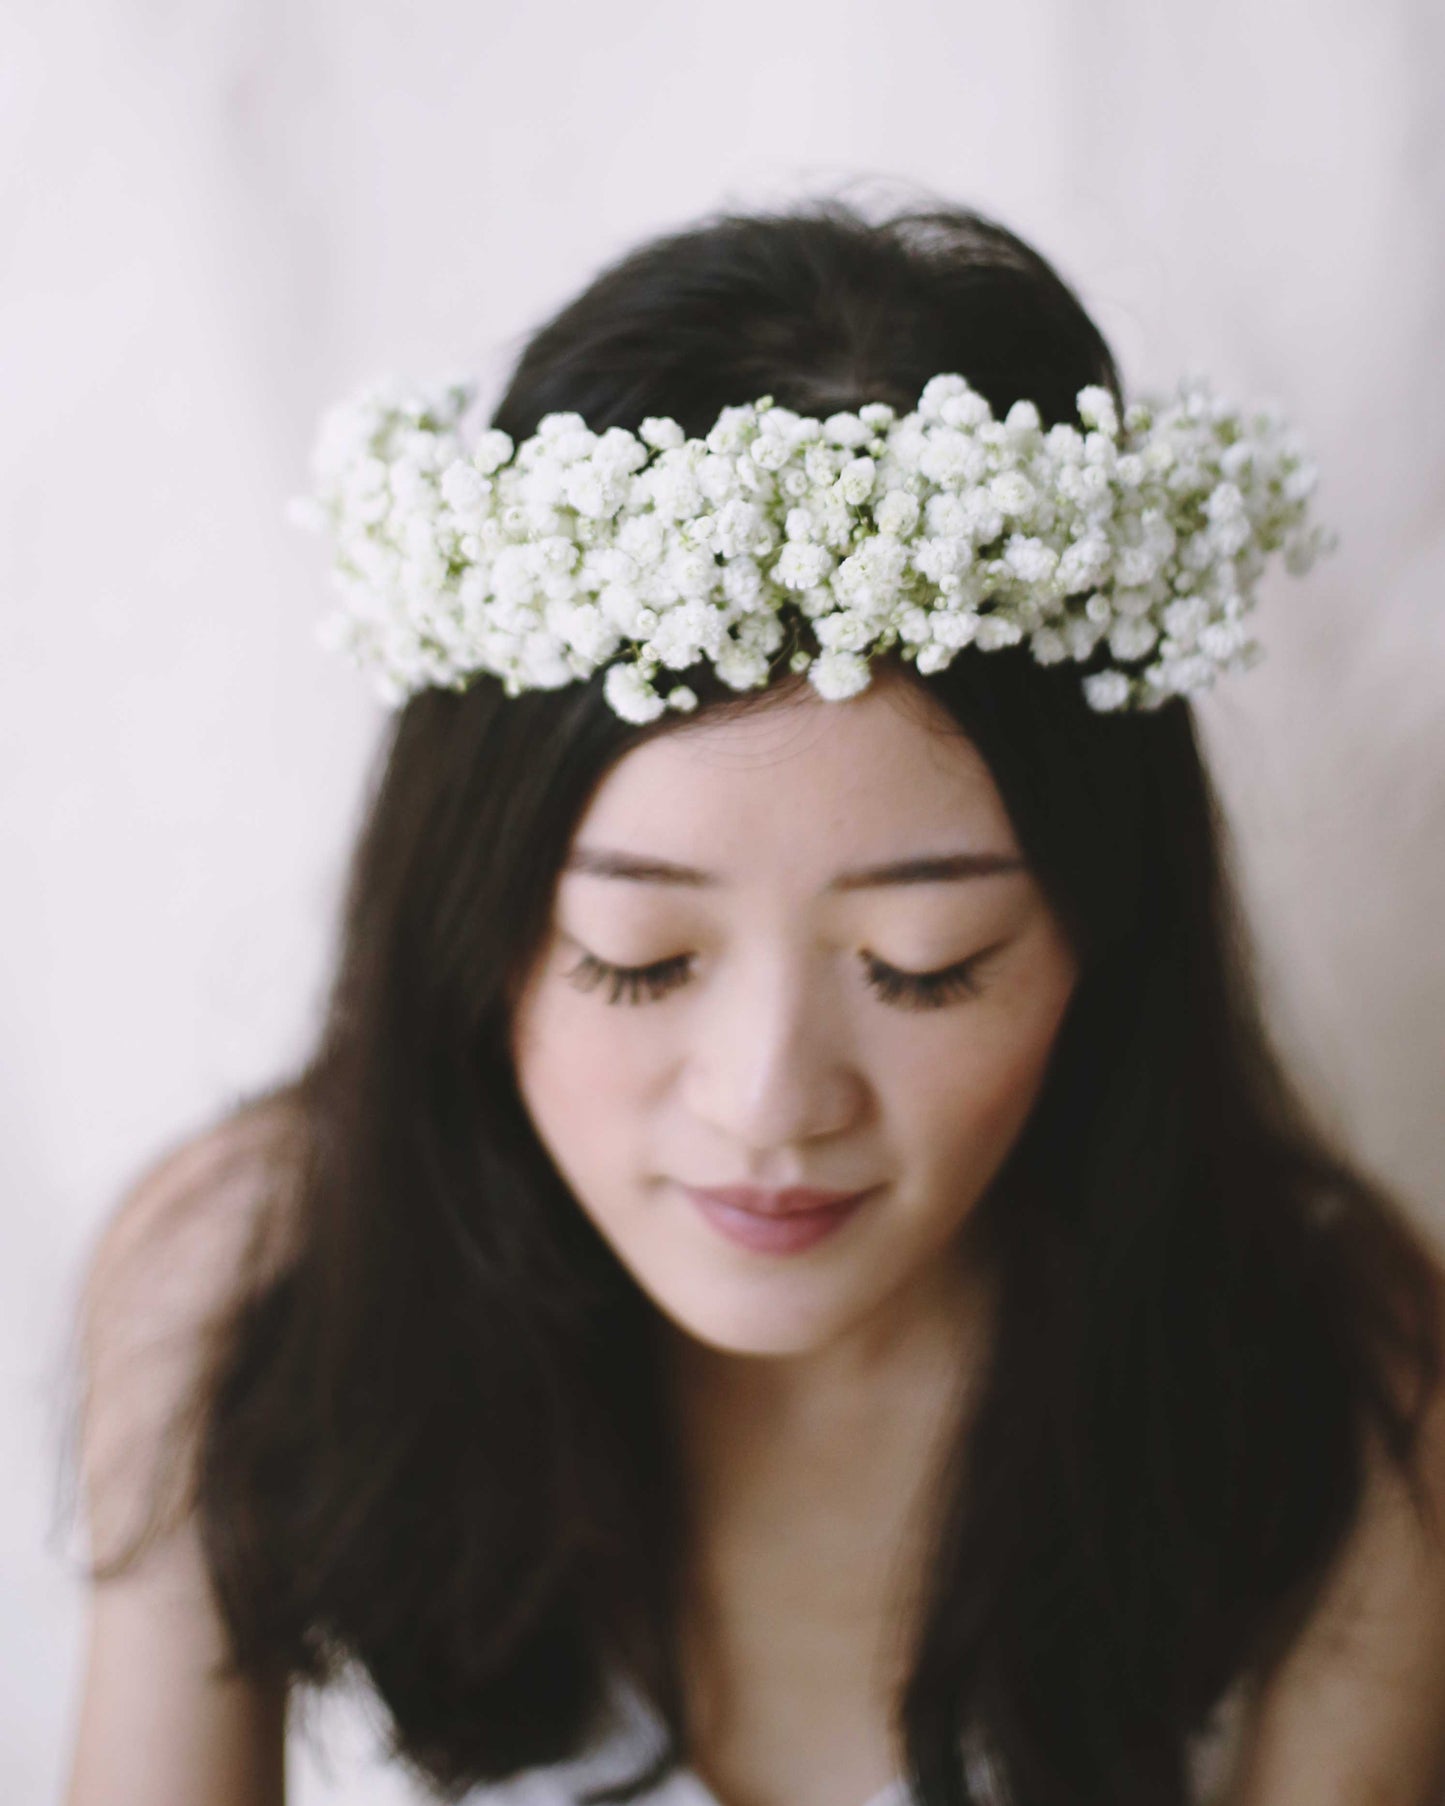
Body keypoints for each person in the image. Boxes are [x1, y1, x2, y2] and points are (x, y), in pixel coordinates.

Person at [61, 197, 1445, 1806]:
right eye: (636, 957)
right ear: (470, 920)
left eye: (923, 967)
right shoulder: (244, 1279)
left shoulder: (1341, 1376)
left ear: (1100, 934)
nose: (770, 1099)